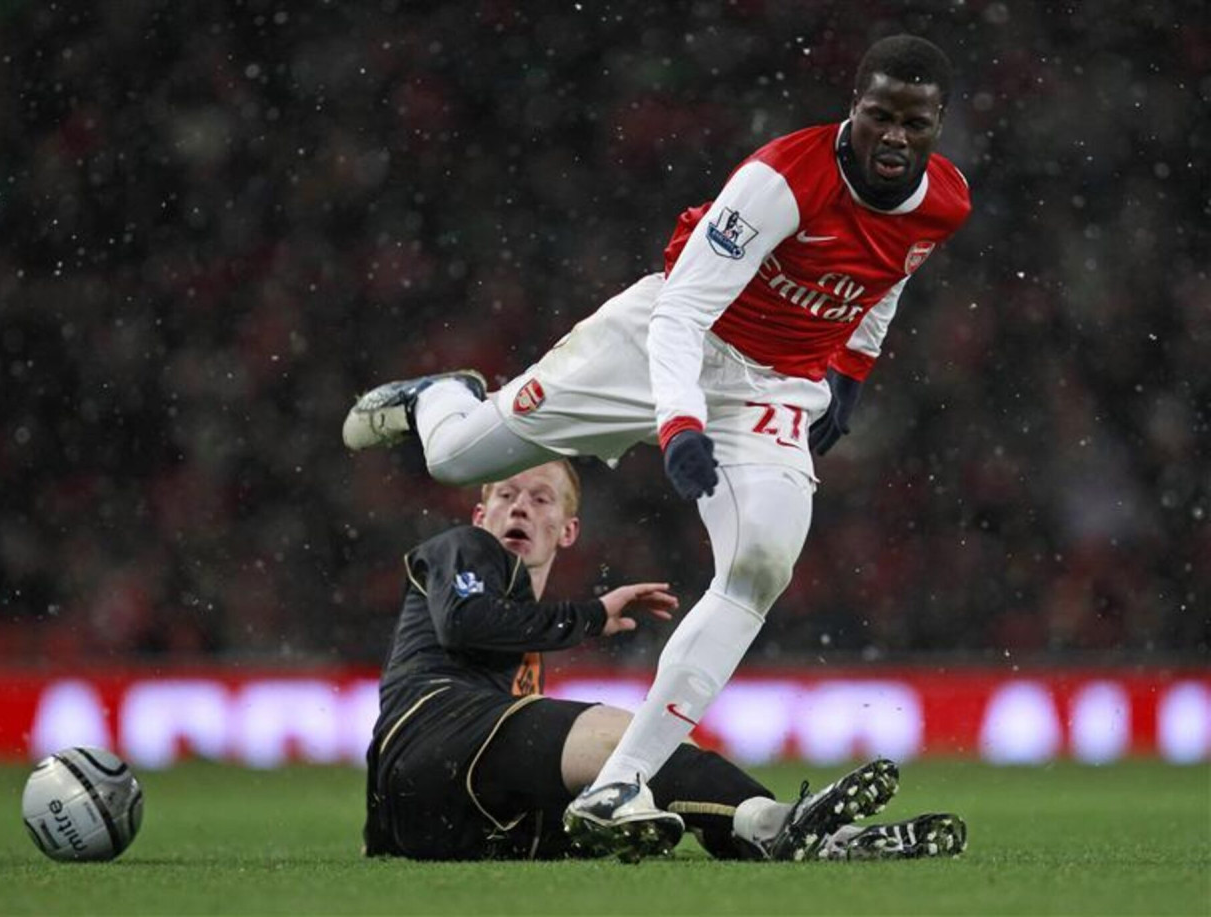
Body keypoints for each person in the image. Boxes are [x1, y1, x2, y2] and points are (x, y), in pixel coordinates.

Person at [346, 34, 971, 856]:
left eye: (913, 122)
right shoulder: (781, 180)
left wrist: (850, 369)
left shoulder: (946, 202)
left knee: (760, 565)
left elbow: (884, 280)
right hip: (662, 342)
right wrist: (677, 425)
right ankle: (441, 395)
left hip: (771, 383)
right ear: (852, 110)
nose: (894, 135)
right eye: (879, 115)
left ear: (938, 125)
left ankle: (619, 780)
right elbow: (681, 314)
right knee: (457, 458)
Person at [362, 460, 967, 862]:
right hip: (430, 736)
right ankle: (780, 823)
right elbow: (465, 621)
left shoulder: (519, 627)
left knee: (623, 804)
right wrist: (592, 615)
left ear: (567, 530)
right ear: (480, 516)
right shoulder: (462, 547)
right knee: (625, 742)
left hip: (449, 819)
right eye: (504, 495)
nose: (519, 508)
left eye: (539, 497)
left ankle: (827, 839)